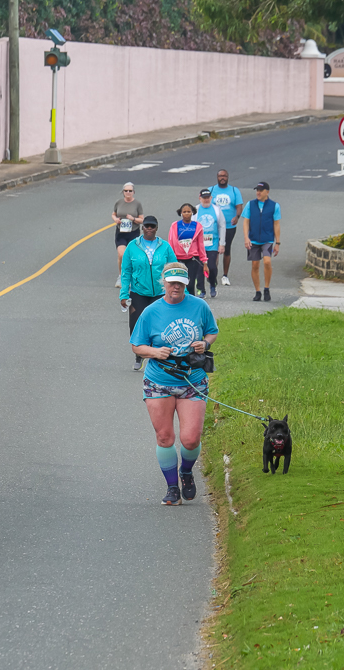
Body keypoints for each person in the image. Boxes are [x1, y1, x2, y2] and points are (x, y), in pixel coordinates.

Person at [130, 263, 218, 506]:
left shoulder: (199, 306)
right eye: (172, 283)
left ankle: (186, 472)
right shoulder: (151, 312)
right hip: (159, 381)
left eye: (180, 283)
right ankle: (172, 488)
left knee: (191, 439)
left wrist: (205, 344)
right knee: (165, 437)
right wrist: (155, 352)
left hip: (192, 380)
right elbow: (137, 345)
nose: (176, 287)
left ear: (186, 284)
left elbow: (212, 332)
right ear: (164, 283)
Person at [120, 216, 179, 369]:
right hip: (138, 292)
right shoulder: (133, 246)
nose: (149, 229)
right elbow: (126, 272)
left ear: (157, 228)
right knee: (136, 324)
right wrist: (124, 294)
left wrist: (178, 291)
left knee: (159, 325)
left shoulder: (165, 246)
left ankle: (157, 355)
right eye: (147, 226)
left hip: (160, 293)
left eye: (152, 226)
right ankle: (139, 355)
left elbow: (174, 269)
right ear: (142, 227)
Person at [241, 182, 281, 302]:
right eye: (257, 190)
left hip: (267, 239)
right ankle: (257, 291)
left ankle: (266, 288)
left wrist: (277, 243)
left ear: (267, 192)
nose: (258, 193)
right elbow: (246, 222)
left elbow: (276, 224)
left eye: (261, 190)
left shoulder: (274, 206)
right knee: (255, 265)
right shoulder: (250, 204)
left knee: (267, 262)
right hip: (253, 240)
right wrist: (246, 238)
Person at [208, 169, 243, 286]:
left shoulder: (234, 191)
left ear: (228, 177)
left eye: (225, 176)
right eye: (220, 176)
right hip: (214, 226)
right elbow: (205, 205)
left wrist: (237, 217)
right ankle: (213, 274)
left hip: (229, 226)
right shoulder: (211, 190)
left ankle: (225, 275)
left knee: (226, 249)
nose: (222, 178)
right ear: (217, 177)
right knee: (214, 250)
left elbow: (239, 206)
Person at [168, 203, 207, 296]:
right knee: (179, 283)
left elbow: (201, 245)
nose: (186, 214)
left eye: (188, 212)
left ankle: (191, 301)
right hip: (178, 259)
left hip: (192, 258)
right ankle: (179, 300)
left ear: (192, 212)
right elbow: (171, 242)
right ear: (181, 213)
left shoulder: (197, 226)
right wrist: (170, 259)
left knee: (190, 284)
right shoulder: (175, 225)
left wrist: (204, 262)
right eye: (184, 212)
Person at [194, 189, 226, 298]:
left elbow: (222, 226)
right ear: (200, 198)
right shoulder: (196, 210)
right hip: (199, 245)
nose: (206, 200)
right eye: (204, 198)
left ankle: (212, 283)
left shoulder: (217, 210)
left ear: (211, 198)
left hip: (213, 243)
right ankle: (201, 289)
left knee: (212, 266)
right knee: (199, 268)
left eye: (208, 198)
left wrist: (222, 244)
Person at [112, 182, 144, 288]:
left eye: (130, 191)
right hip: (121, 232)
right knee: (121, 254)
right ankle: (121, 276)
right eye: (126, 191)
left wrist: (133, 219)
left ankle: (131, 277)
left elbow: (142, 219)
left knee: (132, 256)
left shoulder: (137, 204)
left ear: (133, 192)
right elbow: (113, 214)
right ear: (123, 192)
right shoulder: (119, 202)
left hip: (133, 232)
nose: (128, 193)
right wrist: (116, 219)